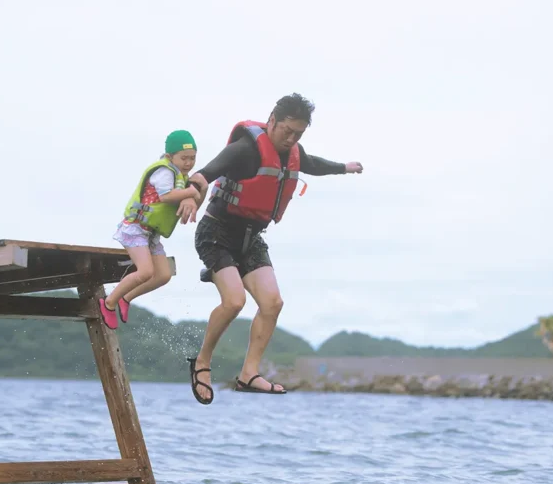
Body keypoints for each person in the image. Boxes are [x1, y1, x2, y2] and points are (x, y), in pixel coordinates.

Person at [183, 94, 363, 404]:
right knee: (235, 301)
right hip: (217, 232)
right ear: (271, 121)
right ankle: (202, 362)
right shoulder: (244, 150)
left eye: (298, 134)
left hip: (251, 238)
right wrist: (190, 196)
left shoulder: (291, 152)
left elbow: (312, 164)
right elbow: (204, 175)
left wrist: (344, 167)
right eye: (286, 131)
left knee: (272, 303)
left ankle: (248, 374)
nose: (290, 139)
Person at [99, 130, 203, 330]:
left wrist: (190, 194)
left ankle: (125, 298)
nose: (188, 163)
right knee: (145, 271)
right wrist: (190, 192)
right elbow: (166, 196)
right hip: (136, 228)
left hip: (151, 234)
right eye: (184, 158)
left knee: (163, 275)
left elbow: (190, 190)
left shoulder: (181, 174)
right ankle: (109, 302)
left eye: (192, 158)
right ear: (169, 156)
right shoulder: (164, 171)